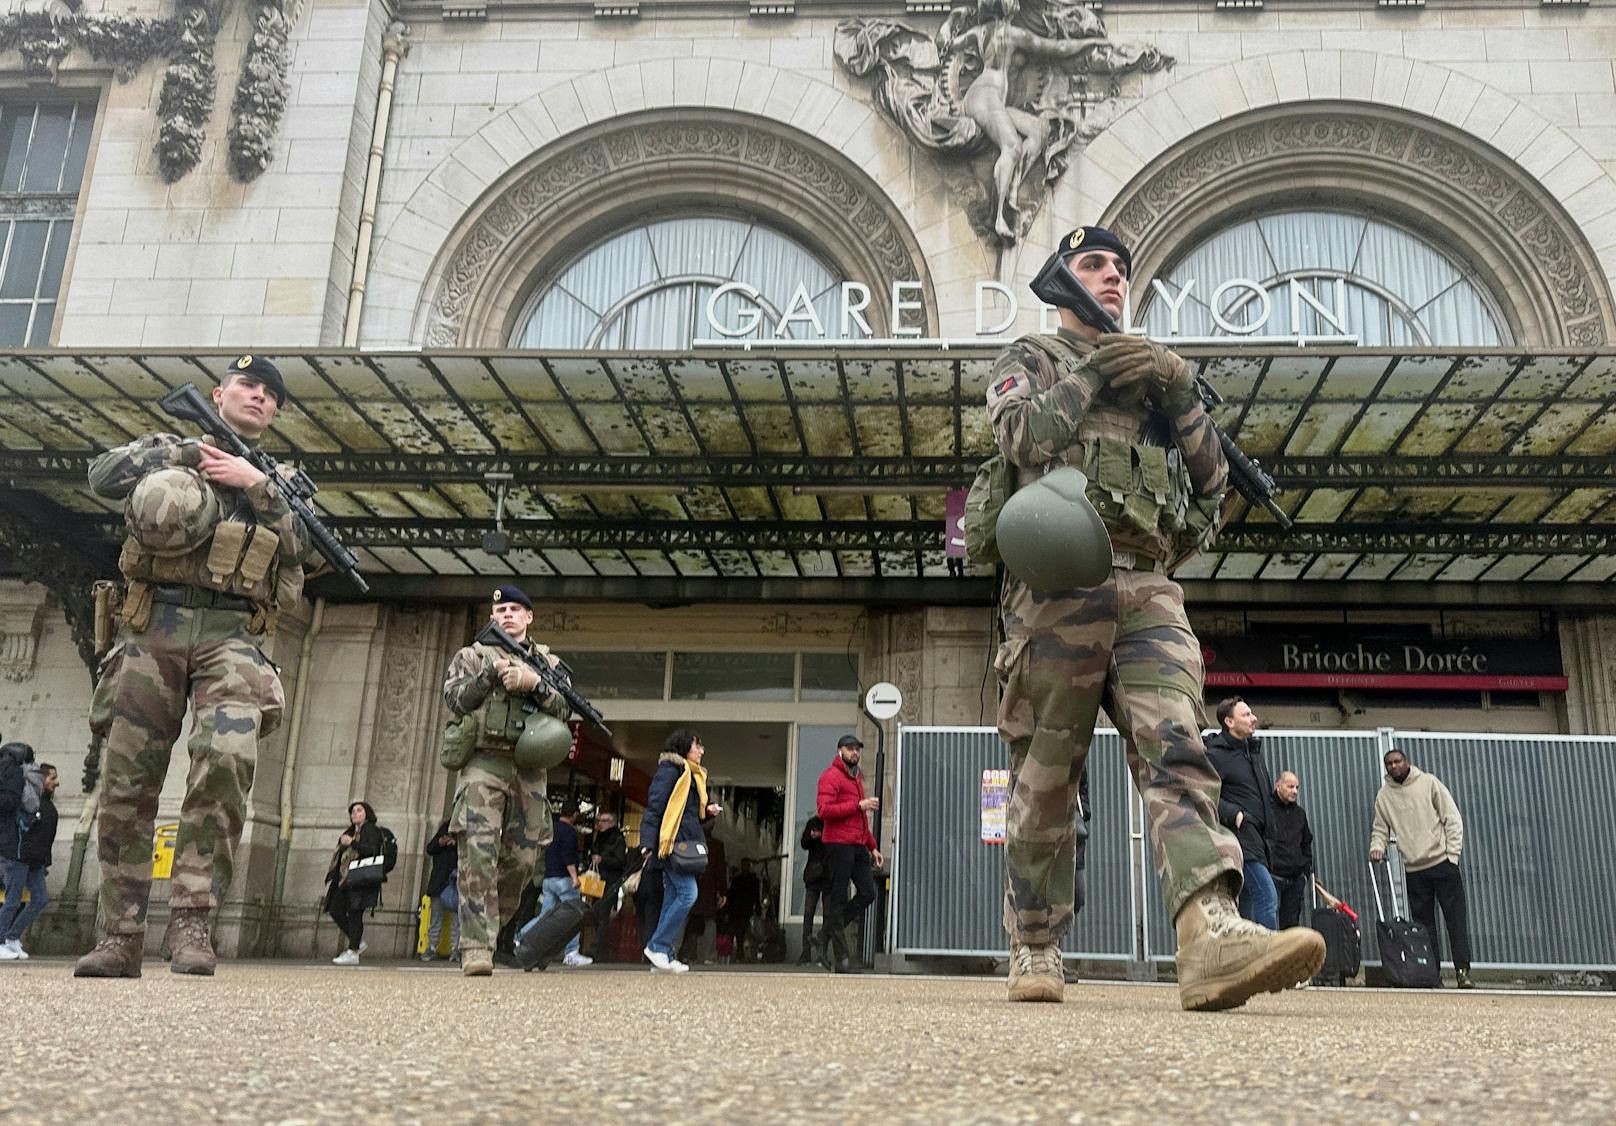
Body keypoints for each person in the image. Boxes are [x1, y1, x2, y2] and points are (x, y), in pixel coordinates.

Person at [987, 226, 1323, 1007]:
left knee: (1179, 746)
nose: (1112, 277)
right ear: (1062, 278)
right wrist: (1098, 371)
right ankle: (1035, 944)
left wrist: (1179, 390)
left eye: (1121, 269)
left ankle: (1209, 927)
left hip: (1147, 584)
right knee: (1045, 781)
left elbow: (1210, 489)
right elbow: (1019, 435)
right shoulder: (1032, 357)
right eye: (1094, 265)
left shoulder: (1161, 384)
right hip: (1055, 585)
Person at [76, 355, 310, 979]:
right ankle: (120, 934)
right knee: (127, 779)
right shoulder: (170, 445)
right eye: (248, 386)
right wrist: (181, 456)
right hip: (153, 626)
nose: (259, 397)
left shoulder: (279, 477)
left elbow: (305, 545)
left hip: (232, 635)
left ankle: (192, 920)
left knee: (229, 763)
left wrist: (252, 482)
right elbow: (100, 475)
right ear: (218, 394)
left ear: (277, 413)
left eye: (270, 394)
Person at [442, 584, 571, 977]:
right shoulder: (472, 655)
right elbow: (454, 700)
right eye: (501, 611)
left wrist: (534, 683)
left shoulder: (547, 661)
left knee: (522, 860)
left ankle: (491, 932)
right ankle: (476, 946)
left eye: (516, 609)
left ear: (529, 617)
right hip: (485, 763)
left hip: (530, 769)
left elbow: (565, 707)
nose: (508, 616)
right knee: (478, 852)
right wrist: (489, 676)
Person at [1370, 748, 1474, 989]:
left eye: (1398, 761)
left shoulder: (1428, 783)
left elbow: (1452, 818)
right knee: (1423, 928)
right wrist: (1377, 846)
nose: (1394, 766)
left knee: (1455, 921)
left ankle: (1463, 971)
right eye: (1389, 763)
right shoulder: (1384, 796)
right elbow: (1380, 828)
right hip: (1414, 869)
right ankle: (1430, 974)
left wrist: (1452, 855)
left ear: (1407, 762)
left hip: (1442, 863)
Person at [639, 729, 720, 974]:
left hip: (680, 842)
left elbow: (688, 814)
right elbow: (655, 807)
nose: (701, 751)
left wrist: (707, 810)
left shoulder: (692, 776)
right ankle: (658, 945)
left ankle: (662, 953)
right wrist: (647, 842)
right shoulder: (671, 771)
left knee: (674, 896)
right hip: (671, 844)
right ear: (685, 748)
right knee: (688, 894)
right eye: (698, 746)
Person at [1203, 697, 1278, 930]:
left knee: (1246, 908)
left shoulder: (1252, 752)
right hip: (1239, 838)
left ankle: (1245, 960)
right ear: (1229, 722)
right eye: (1246, 715)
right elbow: (1202, 791)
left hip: (1259, 838)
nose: (1253, 718)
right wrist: (1233, 813)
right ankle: (1270, 959)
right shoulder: (1216, 754)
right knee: (1267, 897)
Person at [814, 733, 884, 974]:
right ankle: (842, 959)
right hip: (837, 845)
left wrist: (872, 846)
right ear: (839, 751)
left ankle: (824, 934)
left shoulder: (856, 779)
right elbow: (824, 811)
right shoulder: (830, 777)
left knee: (867, 892)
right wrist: (857, 805)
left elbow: (861, 819)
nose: (855, 752)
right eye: (850, 748)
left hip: (856, 845)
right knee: (838, 899)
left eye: (857, 749)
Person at [1, 757, 58, 960]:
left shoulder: (45, 805)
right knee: (12, 901)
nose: (55, 782)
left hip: (34, 860)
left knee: (40, 899)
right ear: (40, 779)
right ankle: (1, 940)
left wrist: (44, 862)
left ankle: (12, 937)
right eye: (52, 778)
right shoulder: (30, 803)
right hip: (18, 857)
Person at [325, 801, 382, 965]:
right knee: (335, 908)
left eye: (359, 810)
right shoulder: (351, 831)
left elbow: (371, 850)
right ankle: (356, 941)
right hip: (345, 878)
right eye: (352, 812)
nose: (354, 814)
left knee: (355, 913)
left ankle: (353, 951)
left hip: (360, 878)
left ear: (367, 813)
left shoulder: (370, 829)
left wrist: (352, 843)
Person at [538, 801, 591, 967]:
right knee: (573, 915)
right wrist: (575, 877)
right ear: (574, 814)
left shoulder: (551, 828)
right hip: (564, 878)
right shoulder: (569, 832)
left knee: (545, 916)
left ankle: (523, 938)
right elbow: (568, 856)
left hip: (548, 878)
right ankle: (571, 952)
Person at [1268, 771, 1314, 931]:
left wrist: (1305, 872)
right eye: (1290, 786)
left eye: (1297, 787)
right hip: (1272, 876)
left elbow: (1306, 842)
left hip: (1295, 879)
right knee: (1268, 923)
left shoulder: (1299, 814)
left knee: (1291, 928)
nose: (1295, 791)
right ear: (1278, 786)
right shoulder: (1266, 809)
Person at [421, 819, 458, 961]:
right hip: (440, 882)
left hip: (454, 882)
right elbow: (430, 848)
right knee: (435, 918)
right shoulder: (442, 833)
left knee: (456, 919)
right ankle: (431, 946)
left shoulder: (464, 839)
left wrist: (455, 845)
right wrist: (440, 843)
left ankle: (456, 949)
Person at [798, 816, 829, 965]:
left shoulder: (831, 823)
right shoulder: (813, 822)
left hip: (828, 874)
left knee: (827, 915)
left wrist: (823, 836)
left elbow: (836, 843)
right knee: (808, 914)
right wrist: (811, 836)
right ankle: (806, 952)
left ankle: (822, 954)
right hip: (814, 875)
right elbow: (804, 843)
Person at [725, 858, 762, 961]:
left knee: (745, 933)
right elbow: (732, 896)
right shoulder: (736, 880)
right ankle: (735, 954)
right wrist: (728, 911)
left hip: (747, 910)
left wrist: (758, 909)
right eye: (743, 865)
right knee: (736, 932)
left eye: (747, 865)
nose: (745, 867)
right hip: (736, 910)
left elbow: (756, 896)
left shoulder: (754, 880)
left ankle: (744, 954)